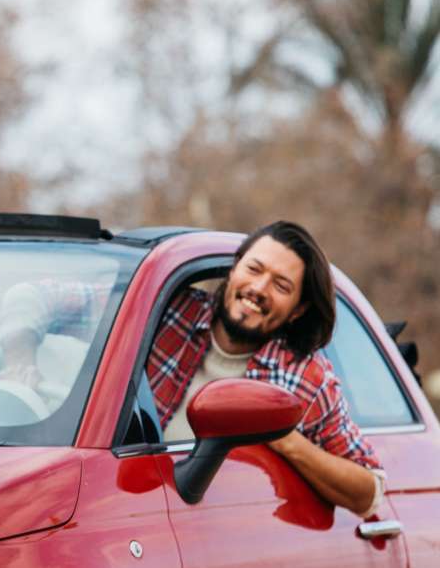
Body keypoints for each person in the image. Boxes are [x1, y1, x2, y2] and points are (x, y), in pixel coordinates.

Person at [146, 221, 385, 517]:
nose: (259, 289)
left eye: (281, 285)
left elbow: (370, 494)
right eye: (254, 270)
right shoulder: (164, 313)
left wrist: (286, 440)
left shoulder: (305, 377)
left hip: (226, 533)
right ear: (234, 269)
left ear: (297, 310)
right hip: (137, 508)